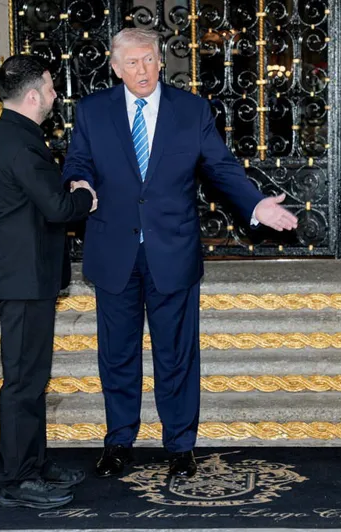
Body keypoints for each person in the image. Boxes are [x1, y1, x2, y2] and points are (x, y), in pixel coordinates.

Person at [61, 28, 298, 479]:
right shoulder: (92, 111)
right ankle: (119, 441)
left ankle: (181, 445)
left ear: (160, 61)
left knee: (177, 354)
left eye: (149, 60)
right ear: (116, 67)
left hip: (172, 250)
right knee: (117, 354)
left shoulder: (191, 110)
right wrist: (79, 183)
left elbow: (221, 167)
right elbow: (78, 161)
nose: (143, 70)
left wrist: (256, 204)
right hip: (114, 250)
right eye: (132, 62)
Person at [0, 55, 98, 509]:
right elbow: (58, 208)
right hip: (23, 280)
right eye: (50, 88)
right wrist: (84, 196)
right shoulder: (20, 144)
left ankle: (34, 463)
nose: (54, 95)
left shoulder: (13, 136)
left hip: (26, 277)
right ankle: (18, 479)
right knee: (23, 384)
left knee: (31, 379)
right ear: (32, 96)